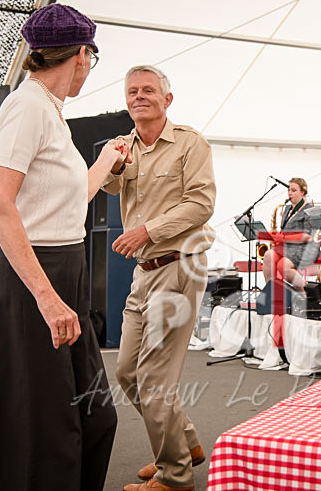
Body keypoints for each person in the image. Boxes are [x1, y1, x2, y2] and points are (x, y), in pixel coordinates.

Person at [0, 4, 118, 491]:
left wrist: (104, 161)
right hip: (30, 280)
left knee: (96, 418)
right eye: (91, 58)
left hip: (67, 268)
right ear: (82, 55)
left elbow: (68, 202)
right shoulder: (26, 107)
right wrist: (45, 295)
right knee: (46, 432)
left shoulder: (52, 113)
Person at [101, 65, 216, 491]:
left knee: (153, 376)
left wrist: (147, 230)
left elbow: (201, 204)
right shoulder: (123, 146)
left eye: (149, 90)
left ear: (168, 99)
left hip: (180, 265)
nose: (139, 96)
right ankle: (183, 444)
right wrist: (115, 165)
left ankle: (175, 476)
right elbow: (113, 189)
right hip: (144, 272)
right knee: (128, 372)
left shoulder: (191, 143)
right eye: (132, 91)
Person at [262, 178, 320, 291]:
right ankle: (271, 292)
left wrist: (283, 238)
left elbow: (307, 236)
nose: (290, 193)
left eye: (293, 190)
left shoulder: (310, 210)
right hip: (288, 246)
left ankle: (302, 294)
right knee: (268, 255)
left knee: (282, 266)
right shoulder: (287, 208)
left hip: (305, 247)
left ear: (302, 192)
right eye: (289, 190)